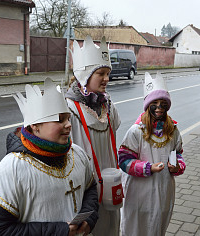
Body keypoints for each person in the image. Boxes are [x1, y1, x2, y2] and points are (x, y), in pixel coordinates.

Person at [0, 78, 99, 236]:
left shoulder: (77, 154)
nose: (68, 125)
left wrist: (89, 220)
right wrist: (59, 231)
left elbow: (90, 188)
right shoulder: (11, 170)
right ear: (35, 126)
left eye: (68, 118)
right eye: (59, 119)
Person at [118, 72, 186, 236]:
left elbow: (177, 155)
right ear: (147, 105)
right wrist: (148, 168)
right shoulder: (136, 131)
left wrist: (176, 166)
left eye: (163, 104)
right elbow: (124, 160)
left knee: (157, 225)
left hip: (163, 190)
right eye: (154, 103)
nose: (159, 108)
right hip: (138, 191)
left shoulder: (173, 131)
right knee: (136, 226)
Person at [65, 35, 121, 236]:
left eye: (108, 73)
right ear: (84, 76)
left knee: (110, 227)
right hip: (86, 188)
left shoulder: (108, 105)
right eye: (101, 73)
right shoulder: (69, 110)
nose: (107, 79)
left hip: (110, 182)